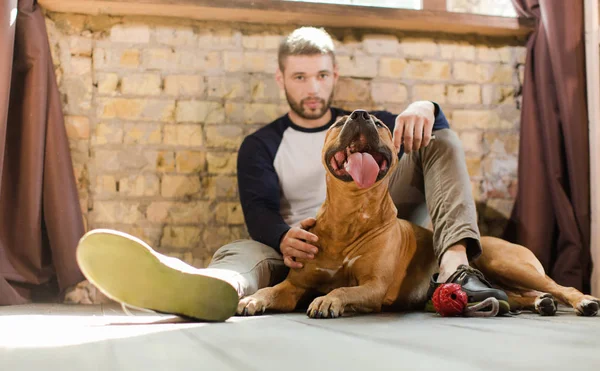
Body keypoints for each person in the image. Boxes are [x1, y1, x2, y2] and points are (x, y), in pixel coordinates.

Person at [76, 27, 507, 317]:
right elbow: (259, 210)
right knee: (243, 251)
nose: (313, 87)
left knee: (440, 138)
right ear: (282, 80)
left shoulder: (365, 126)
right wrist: (282, 235)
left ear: (334, 75)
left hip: (378, 235)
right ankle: (210, 285)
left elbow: (434, 134)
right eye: (300, 77)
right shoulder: (261, 145)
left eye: (321, 75)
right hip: (304, 246)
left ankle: (455, 265)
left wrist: (427, 107)